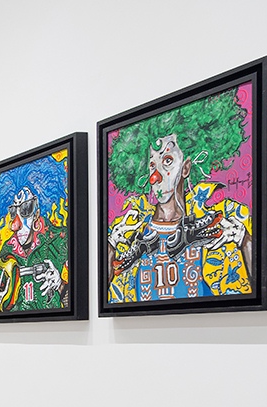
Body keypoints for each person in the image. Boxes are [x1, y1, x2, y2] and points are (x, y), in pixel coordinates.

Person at [106, 89, 253, 302]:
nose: (155, 176)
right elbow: (103, 294)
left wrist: (243, 240)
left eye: (167, 161)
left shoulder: (221, 221)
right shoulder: (130, 229)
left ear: (185, 168)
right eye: (152, 165)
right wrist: (111, 244)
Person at [0, 186, 67, 312]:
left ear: (36, 214)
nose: (16, 225)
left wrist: (60, 285)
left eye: (26, 209)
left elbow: (85, 300)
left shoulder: (60, 239)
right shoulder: (7, 251)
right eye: (13, 212)